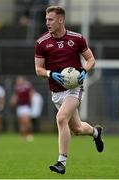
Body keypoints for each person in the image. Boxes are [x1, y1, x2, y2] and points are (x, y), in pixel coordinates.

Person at [34, 6, 104, 174]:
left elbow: (91, 60)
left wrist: (84, 71)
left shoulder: (77, 38)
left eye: (50, 19)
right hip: (56, 91)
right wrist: (51, 74)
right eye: (46, 19)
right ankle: (95, 132)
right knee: (77, 129)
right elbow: (38, 70)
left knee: (61, 118)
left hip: (74, 88)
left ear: (61, 20)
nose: (47, 23)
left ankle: (61, 163)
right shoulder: (41, 42)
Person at [10, 75, 34, 141]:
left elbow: (31, 94)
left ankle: (29, 134)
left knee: (27, 121)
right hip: (20, 106)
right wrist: (13, 101)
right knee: (21, 122)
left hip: (26, 106)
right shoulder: (17, 87)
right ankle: (22, 135)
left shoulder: (27, 86)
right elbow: (16, 95)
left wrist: (32, 102)